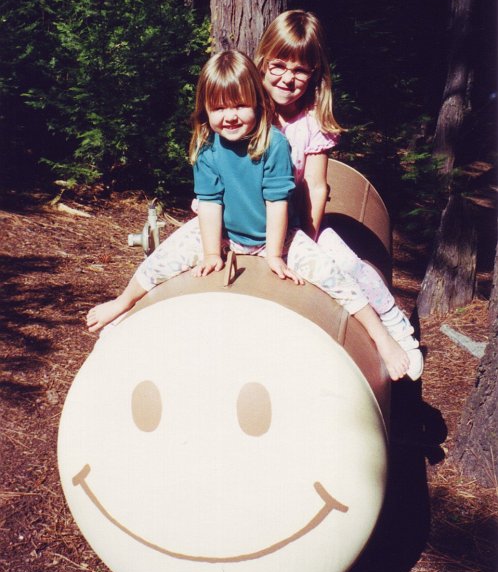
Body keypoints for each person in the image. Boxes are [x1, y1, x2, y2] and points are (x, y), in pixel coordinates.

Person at [87, 50, 420, 381]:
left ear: (258, 103)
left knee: (335, 278)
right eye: (219, 108)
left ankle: (382, 336)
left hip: (275, 238)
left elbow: (277, 202)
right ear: (205, 109)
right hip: (226, 234)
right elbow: (210, 202)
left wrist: (276, 255)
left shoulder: (272, 144)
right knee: (164, 258)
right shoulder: (207, 149)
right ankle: (124, 303)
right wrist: (210, 253)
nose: (230, 117)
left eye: (240, 106)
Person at [254, 9, 422, 376]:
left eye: (299, 70)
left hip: (294, 221)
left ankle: (392, 323)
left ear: (314, 73)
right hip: (248, 218)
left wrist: (309, 237)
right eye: (279, 65)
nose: (287, 78)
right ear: (263, 61)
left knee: (346, 263)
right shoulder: (249, 110)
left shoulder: (312, 121)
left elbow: (316, 184)